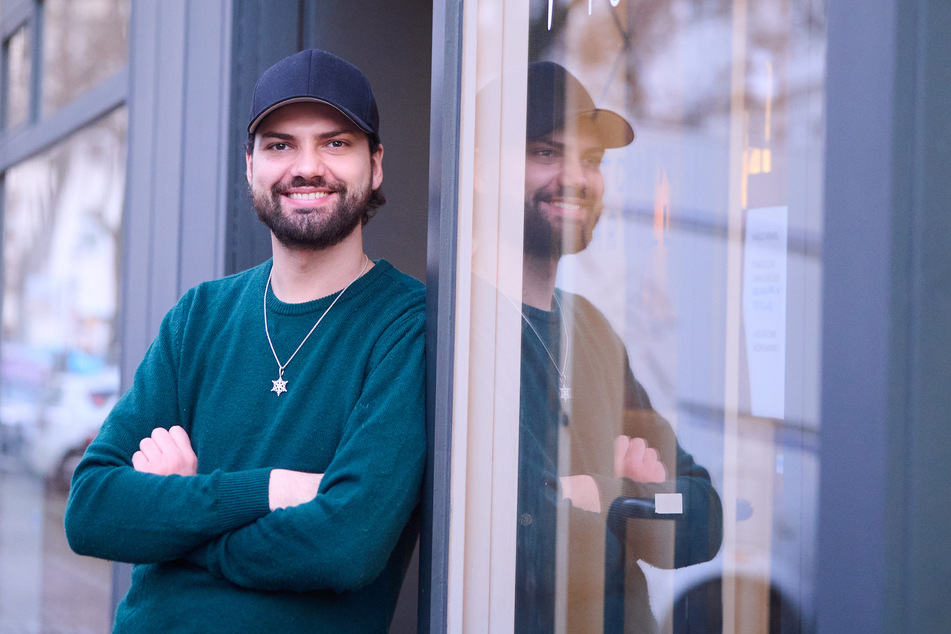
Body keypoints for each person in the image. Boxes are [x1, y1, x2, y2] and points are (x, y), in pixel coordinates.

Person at [64, 49, 426, 633]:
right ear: (250, 165)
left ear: (375, 164)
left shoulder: (408, 325)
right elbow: (92, 510)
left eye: (335, 143)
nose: (307, 167)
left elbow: (346, 542)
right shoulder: (200, 316)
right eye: (280, 145)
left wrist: (180, 520)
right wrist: (273, 489)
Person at [508, 61, 723, 632]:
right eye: (546, 153)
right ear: (482, 168)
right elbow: (531, 532)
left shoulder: (593, 332)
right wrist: (631, 500)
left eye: (592, 160)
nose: (577, 177)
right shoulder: (456, 331)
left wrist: (614, 495)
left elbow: (701, 516)